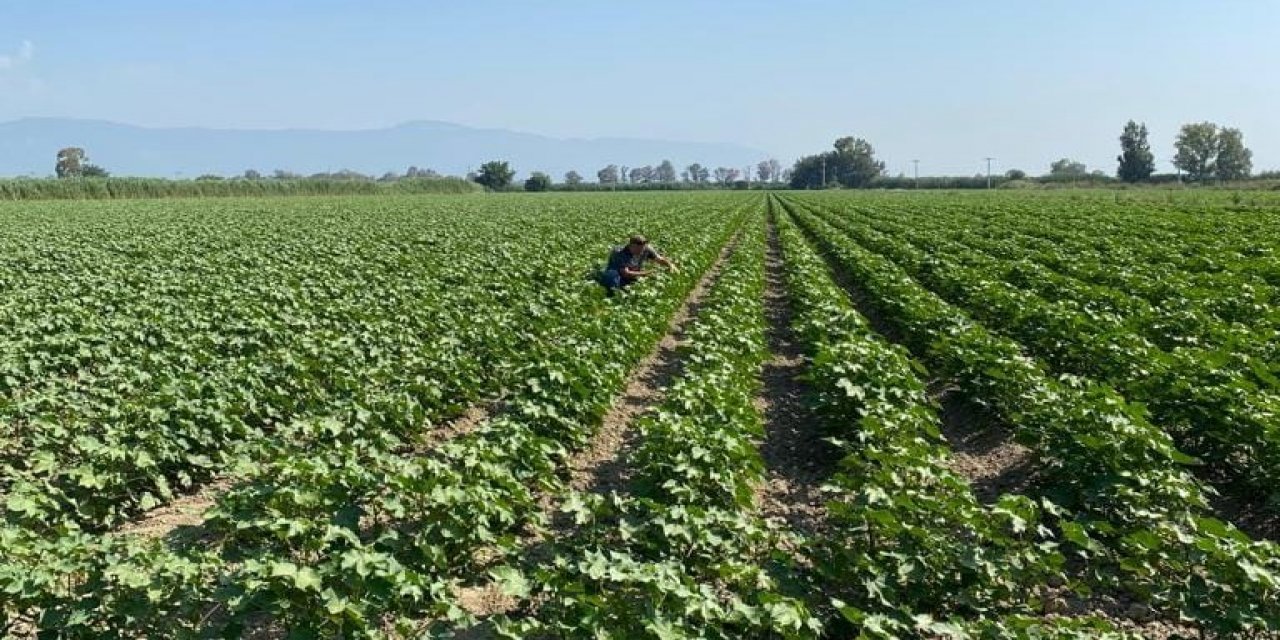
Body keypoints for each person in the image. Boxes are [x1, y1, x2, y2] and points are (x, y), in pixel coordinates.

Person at [599, 234, 678, 296]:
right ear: (631, 245)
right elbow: (626, 273)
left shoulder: (646, 248)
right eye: (638, 249)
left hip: (634, 274)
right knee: (612, 276)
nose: (641, 252)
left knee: (648, 282)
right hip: (619, 275)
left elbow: (659, 259)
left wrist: (670, 265)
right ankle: (612, 294)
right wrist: (647, 273)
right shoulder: (620, 252)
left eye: (642, 249)